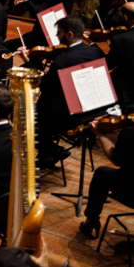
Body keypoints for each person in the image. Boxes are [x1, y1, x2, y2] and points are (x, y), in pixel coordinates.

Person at [80, 86, 134, 238]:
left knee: (102, 173)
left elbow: (115, 159)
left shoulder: (133, 133)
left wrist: (100, 134)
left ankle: (91, 221)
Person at [35, 15, 103, 165]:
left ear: (70, 34)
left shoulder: (62, 60)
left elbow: (45, 87)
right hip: (94, 108)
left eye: (59, 33)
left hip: (71, 117)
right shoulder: (95, 52)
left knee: (37, 110)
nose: (57, 36)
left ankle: (48, 151)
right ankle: (51, 148)